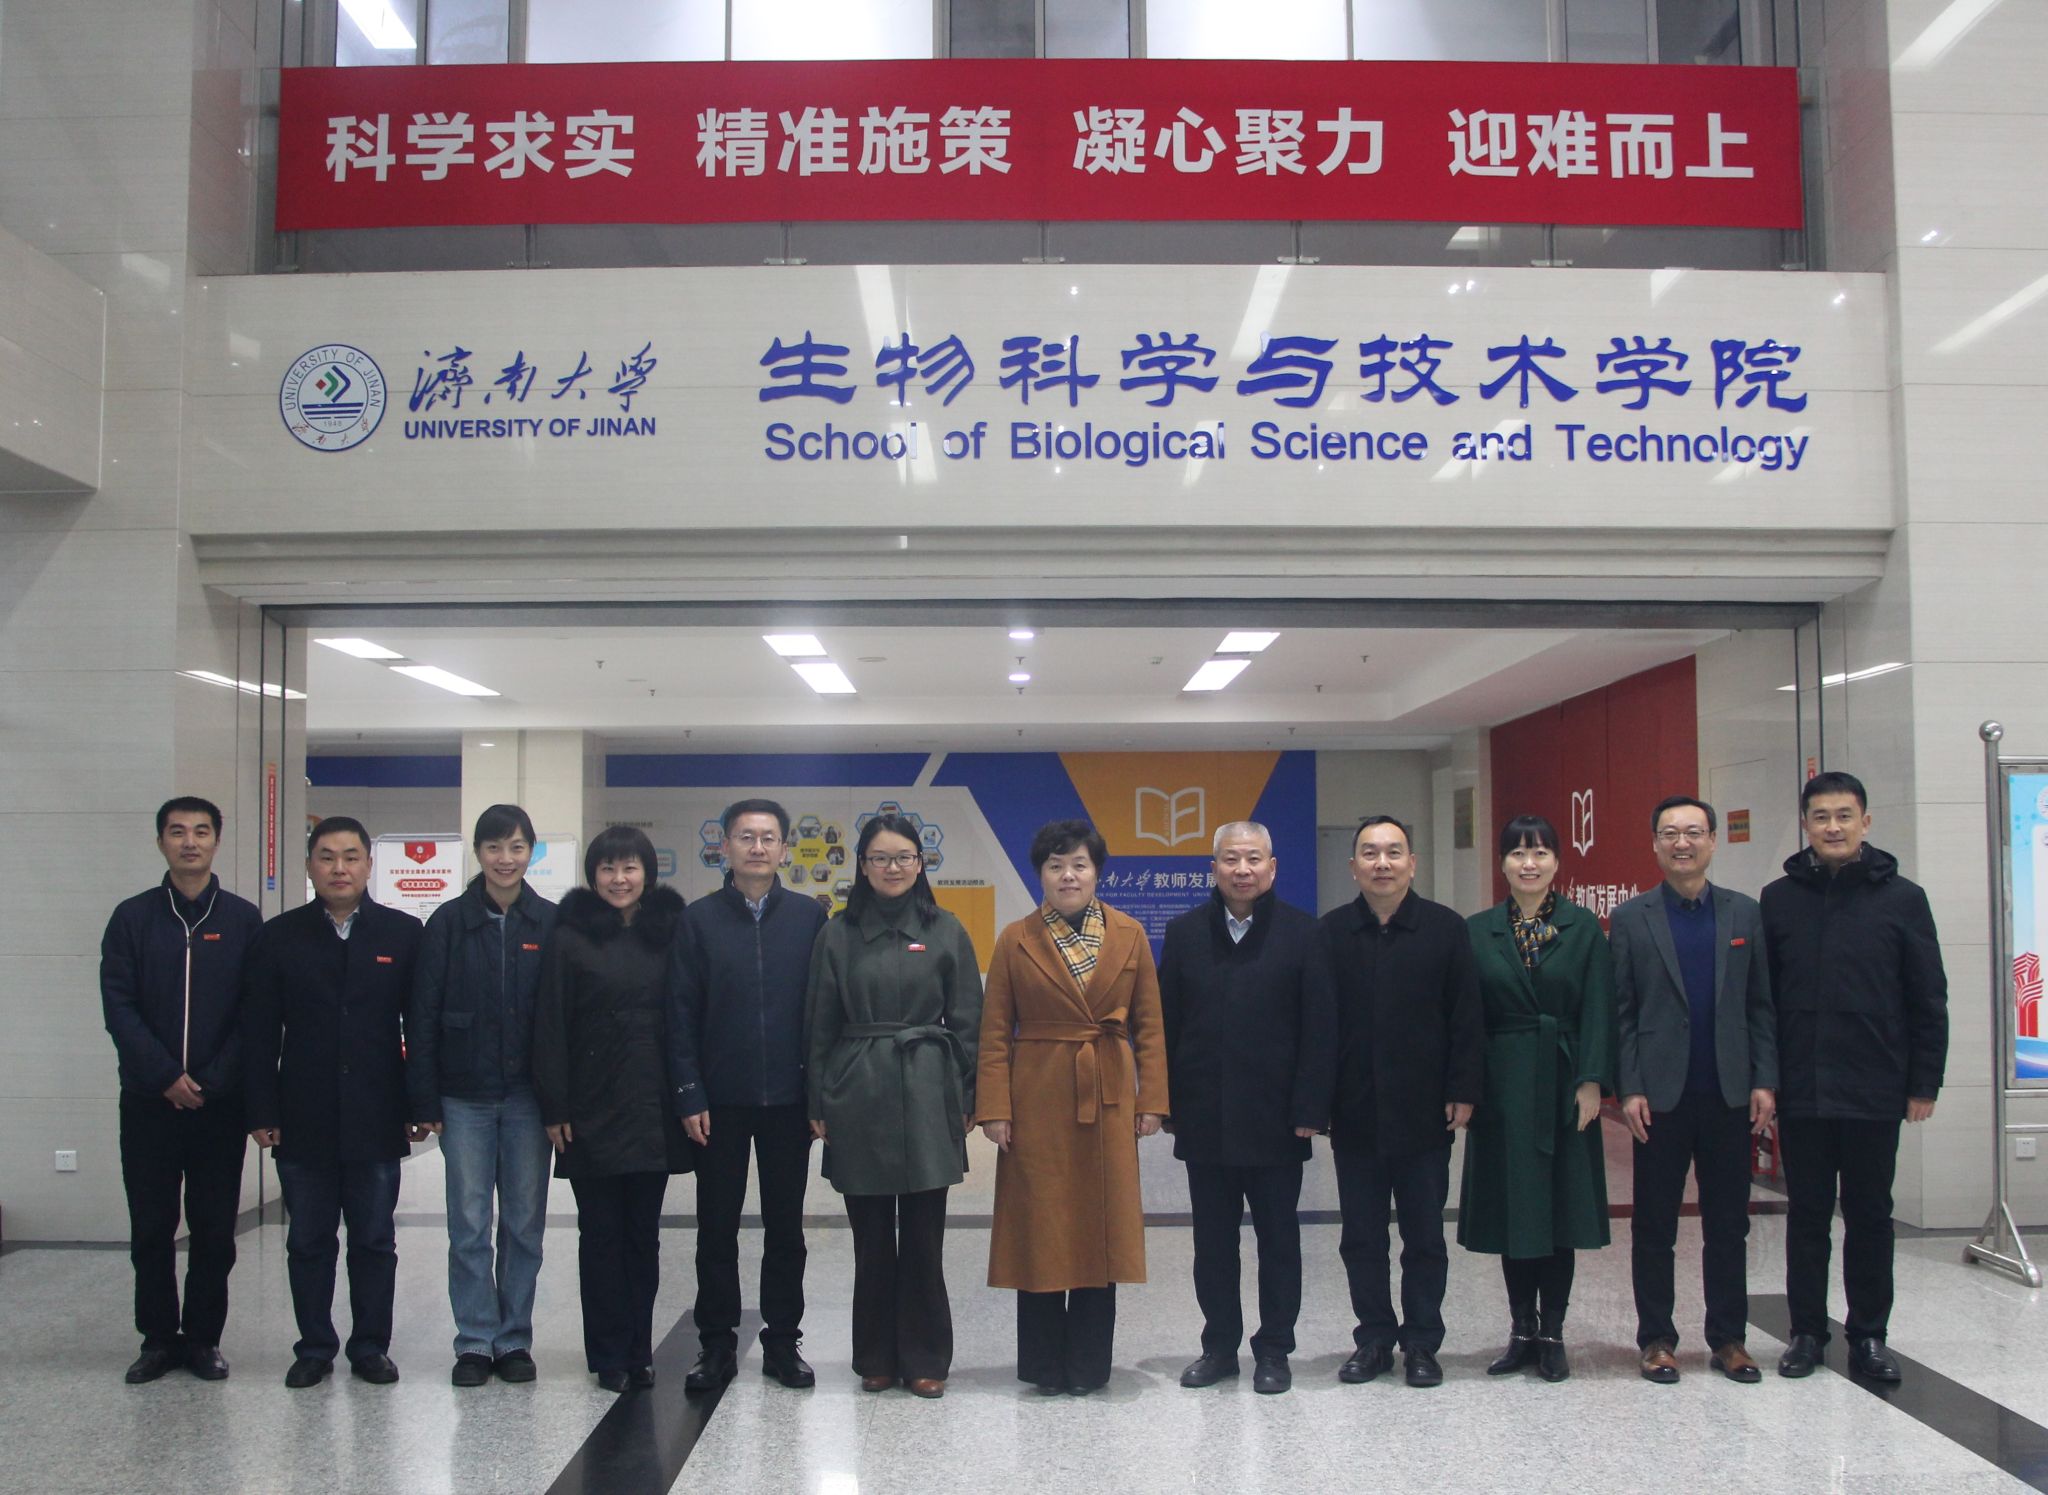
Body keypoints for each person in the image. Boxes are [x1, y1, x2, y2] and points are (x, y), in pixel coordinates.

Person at [1763, 770, 1948, 1383]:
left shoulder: (1904, 899)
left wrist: (1924, 1082)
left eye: (1844, 815)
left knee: (1870, 1216)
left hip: (1875, 1085)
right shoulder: (1779, 899)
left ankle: (1868, 1335)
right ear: (1805, 825)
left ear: (1865, 822)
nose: (1833, 827)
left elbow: (1928, 996)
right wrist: (1767, 1078)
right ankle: (1806, 1334)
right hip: (1803, 1087)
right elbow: (1764, 1000)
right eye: (1821, 816)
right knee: (1807, 1216)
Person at [977, 818, 1169, 1396]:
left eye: (1079, 865)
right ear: (1041, 874)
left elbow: (1150, 1026)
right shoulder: (1015, 939)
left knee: (1098, 1228)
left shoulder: (1130, 934)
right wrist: (995, 1108)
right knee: (1039, 1229)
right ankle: (1042, 1364)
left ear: (1097, 872)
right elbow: (994, 1033)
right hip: (1035, 1097)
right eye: (1056, 865)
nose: (1068, 876)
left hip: (1108, 1094)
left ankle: (1088, 1365)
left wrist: (1152, 1099)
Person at [243, 816, 425, 1389]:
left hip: (377, 1111)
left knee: (374, 1239)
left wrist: (419, 1103)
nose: (339, 868)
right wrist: (262, 1111)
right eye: (326, 857)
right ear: (309, 866)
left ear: (369, 864)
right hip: (303, 1113)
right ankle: (315, 1347)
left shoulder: (401, 934)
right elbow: (259, 1032)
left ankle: (370, 1346)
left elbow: (419, 1026)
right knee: (308, 1241)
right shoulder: (279, 936)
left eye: (350, 857)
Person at [807, 813, 982, 1399]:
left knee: (925, 1238)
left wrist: (967, 1096)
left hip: (929, 1088)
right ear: (862, 866)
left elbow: (969, 1022)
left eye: (904, 857)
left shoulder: (946, 929)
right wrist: (818, 1098)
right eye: (880, 858)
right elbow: (819, 1022)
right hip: (858, 1089)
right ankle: (875, 1357)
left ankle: (927, 1357)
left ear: (920, 863)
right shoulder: (838, 933)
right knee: (872, 1238)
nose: (892, 867)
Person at [1160, 821, 1334, 1396]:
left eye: (1253, 859)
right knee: (1212, 1244)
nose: (1242, 870)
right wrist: (1166, 1103)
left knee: (1279, 1241)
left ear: (1272, 867)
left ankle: (1275, 1349)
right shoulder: (1185, 933)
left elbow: (1320, 1028)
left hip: (1277, 1119)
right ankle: (1218, 1347)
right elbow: (1166, 1025)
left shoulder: (1304, 934)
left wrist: (1311, 1106)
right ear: (1213, 868)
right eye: (1231, 859)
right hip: (1205, 1116)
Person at [1613, 795, 1777, 1385]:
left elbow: (1761, 1005)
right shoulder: (1632, 918)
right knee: (1654, 1224)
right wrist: (1629, 1086)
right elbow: (1622, 1011)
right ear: (1655, 844)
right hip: (1659, 1098)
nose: (1681, 843)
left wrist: (1765, 1078)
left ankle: (1729, 1338)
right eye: (1669, 833)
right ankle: (1656, 1339)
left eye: (1692, 832)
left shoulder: (1744, 914)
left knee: (1728, 1223)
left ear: (1712, 840)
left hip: (1729, 1094)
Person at [100, 796, 263, 1384]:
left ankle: (202, 1340)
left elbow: (255, 1012)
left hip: (219, 1106)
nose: (189, 842)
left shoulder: (242, 920)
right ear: (161, 842)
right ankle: (157, 1338)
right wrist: (165, 1075)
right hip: (150, 1102)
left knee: (215, 1230)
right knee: (151, 1227)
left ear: (217, 840)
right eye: (177, 832)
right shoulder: (132, 918)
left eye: (200, 831)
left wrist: (213, 1080)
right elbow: (118, 1007)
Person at [1318, 815, 1484, 1390]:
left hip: (1424, 1112)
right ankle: (1373, 1339)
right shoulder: (1331, 933)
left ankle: (1421, 1342)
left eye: (1393, 852)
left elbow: (1466, 1018)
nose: (1382, 863)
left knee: (1424, 1237)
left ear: (1412, 863)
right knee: (1361, 1237)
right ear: (1353, 867)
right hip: (1355, 1112)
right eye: (1370, 853)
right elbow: (1320, 1026)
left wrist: (1464, 1091)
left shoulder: (1445, 929)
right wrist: (1318, 1102)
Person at [669, 798, 828, 1393]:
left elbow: (824, 1012)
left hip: (790, 1101)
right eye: (745, 837)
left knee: (786, 1229)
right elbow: (679, 1013)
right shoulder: (698, 920)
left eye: (767, 838)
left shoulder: (810, 919)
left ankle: (783, 1342)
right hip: (720, 1103)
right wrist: (689, 1092)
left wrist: (818, 1095)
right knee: (716, 1228)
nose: (757, 847)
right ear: (725, 846)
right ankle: (716, 1344)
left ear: (784, 848)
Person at [532, 825, 692, 1395]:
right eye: (607, 868)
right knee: (600, 1235)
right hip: (589, 1107)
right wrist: (555, 1105)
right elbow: (550, 1024)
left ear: (648, 873)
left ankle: (638, 1349)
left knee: (642, 1236)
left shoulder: (671, 932)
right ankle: (606, 1354)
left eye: (629, 868)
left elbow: (686, 1017)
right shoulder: (568, 936)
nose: (619, 879)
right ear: (592, 875)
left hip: (652, 1105)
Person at [1459, 814, 1616, 1384]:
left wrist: (1592, 1079)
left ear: (1557, 862)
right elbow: (1466, 1018)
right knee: (1514, 1210)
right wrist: (1467, 1088)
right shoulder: (1478, 931)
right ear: (1502, 863)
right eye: (1518, 853)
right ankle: (1521, 1328)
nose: (1529, 863)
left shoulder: (1583, 927)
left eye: (1541, 852)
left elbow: (1599, 1006)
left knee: (1558, 1210)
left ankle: (1553, 1332)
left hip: (1563, 1080)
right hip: (1502, 1085)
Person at [407, 803, 558, 1388]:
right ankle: (474, 1340)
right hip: (462, 1096)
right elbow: (421, 1015)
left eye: (517, 847)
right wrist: (423, 1099)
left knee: (523, 1225)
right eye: (494, 847)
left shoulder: (548, 923)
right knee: (468, 1224)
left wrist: (560, 1100)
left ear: (531, 852)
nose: (505, 858)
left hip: (528, 1099)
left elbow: (562, 1018)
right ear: (478, 853)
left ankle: (514, 1338)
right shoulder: (448, 923)